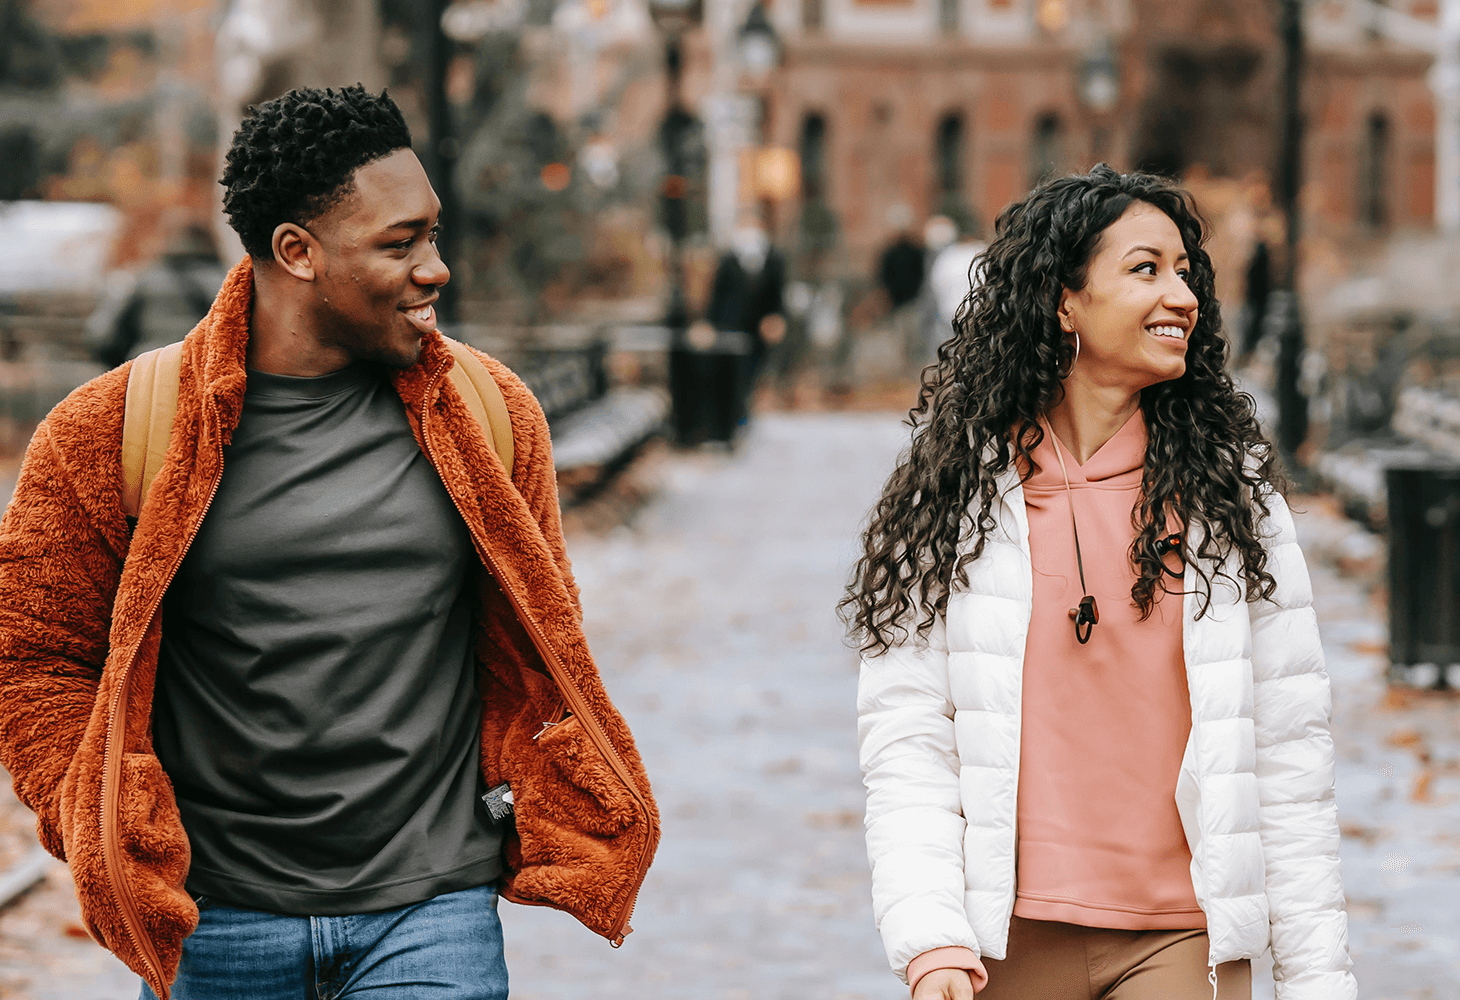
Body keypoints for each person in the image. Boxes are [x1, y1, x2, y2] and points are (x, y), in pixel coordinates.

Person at [0, 85, 658, 1000]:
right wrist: (110, 821)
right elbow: (32, 655)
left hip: (432, 913)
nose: (436, 269)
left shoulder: (488, 413)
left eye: (433, 234)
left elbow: (538, 638)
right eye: (400, 243)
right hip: (214, 923)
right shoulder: (112, 431)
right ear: (297, 253)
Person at [845, 166, 1355, 1000]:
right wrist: (930, 938)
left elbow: (1290, 755)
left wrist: (1317, 983)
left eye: (1185, 271)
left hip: (1185, 939)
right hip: (1002, 942)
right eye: (1145, 269)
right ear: (1064, 303)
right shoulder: (956, 491)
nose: (1181, 295)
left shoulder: (1232, 499)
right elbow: (907, 735)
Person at [84, 222, 228, 368]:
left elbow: (103, 333)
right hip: (204, 368)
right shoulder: (226, 283)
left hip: (149, 368)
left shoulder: (143, 279)